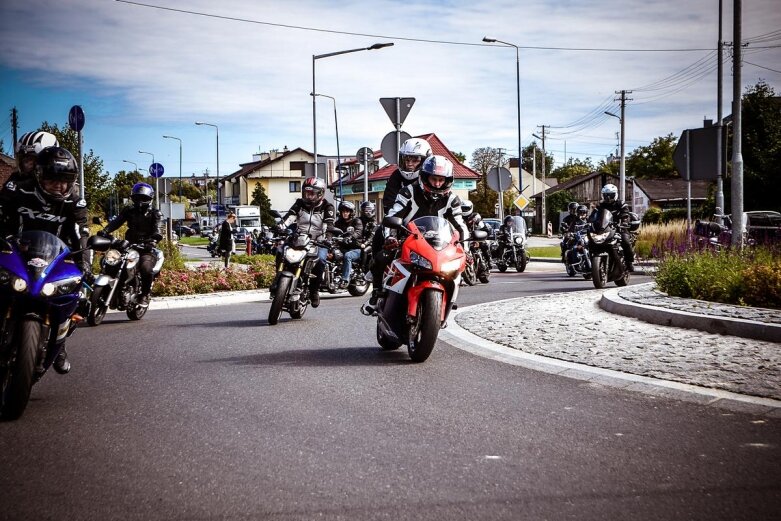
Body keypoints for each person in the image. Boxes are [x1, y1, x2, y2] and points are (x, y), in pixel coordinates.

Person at [0, 146, 89, 375]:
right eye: (53, 179)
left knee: (74, 299)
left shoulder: (74, 200)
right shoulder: (18, 190)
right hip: (18, 254)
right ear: (39, 175)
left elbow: (80, 232)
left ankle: (58, 346)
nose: (59, 185)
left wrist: (85, 262)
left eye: (65, 180)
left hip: (56, 260)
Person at [363, 155, 468, 314]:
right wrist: (391, 237)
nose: (437, 184)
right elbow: (393, 215)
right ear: (425, 177)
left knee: (455, 267)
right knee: (382, 257)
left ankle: (446, 301)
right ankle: (376, 294)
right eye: (434, 179)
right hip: (407, 239)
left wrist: (465, 248)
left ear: (448, 180)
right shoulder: (408, 192)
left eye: (441, 180)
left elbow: (460, 225)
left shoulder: (452, 200)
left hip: (438, 245)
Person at [367, 138, 432, 289]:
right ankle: (376, 279)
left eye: (415, 159)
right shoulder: (396, 176)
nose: (409, 163)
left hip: (426, 225)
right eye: (406, 159)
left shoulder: (430, 178)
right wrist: (393, 229)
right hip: (401, 223)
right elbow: (389, 202)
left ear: (425, 160)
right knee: (379, 235)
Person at [100, 182, 164, 305]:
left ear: (149, 199)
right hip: (128, 245)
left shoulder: (155, 213)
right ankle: (108, 289)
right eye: (137, 198)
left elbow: (158, 228)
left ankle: (144, 295)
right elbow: (117, 222)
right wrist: (105, 231)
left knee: (146, 269)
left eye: (143, 198)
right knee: (108, 261)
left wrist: (153, 240)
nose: (140, 201)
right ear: (133, 198)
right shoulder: (129, 210)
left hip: (146, 248)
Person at [277, 177, 336, 308]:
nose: (308, 196)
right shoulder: (299, 203)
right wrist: (280, 226)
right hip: (298, 238)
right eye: (306, 193)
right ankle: (278, 279)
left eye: (312, 193)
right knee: (280, 251)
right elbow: (290, 217)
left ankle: (314, 291)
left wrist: (328, 238)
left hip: (318, 241)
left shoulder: (328, 206)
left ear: (320, 193)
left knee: (320, 260)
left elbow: (329, 225)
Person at [592, 183, 636, 272]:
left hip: (620, 228)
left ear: (615, 194)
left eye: (610, 195)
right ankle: (591, 264)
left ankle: (629, 262)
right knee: (590, 242)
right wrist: (589, 222)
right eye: (606, 195)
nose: (608, 197)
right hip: (604, 229)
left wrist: (624, 221)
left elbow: (625, 214)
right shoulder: (600, 206)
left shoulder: (621, 204)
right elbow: (593, 216)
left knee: (626, 241)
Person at [333, 201, 363, 289]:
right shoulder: (338, 223)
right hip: (343, 247)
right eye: (343, 211)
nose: (345, 213)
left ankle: (345, 279)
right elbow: (332, 231)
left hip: (356, 248)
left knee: (348, 256)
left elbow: (358, 232)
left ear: (351, 212)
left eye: (347, 211)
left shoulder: (356, 221)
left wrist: (350, 237)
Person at [461, 200, 492, 269]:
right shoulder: (458, 217)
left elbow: (482, 226)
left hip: (475, 235)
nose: (464, 210)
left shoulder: (475, 216)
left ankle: (489, 260)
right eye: (463, 208)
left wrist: (477, 223)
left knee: (483, 244)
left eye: (466, 208)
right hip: (464, 237)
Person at [358, 201, 377, 272]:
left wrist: (365, 243)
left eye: (370, 210)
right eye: (366, 210)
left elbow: (372, 236)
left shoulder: (374, 223)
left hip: (371, 244)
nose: (369, 212)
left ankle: (362, 269)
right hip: (361, 242)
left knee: (365, 250)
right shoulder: (359, 221)